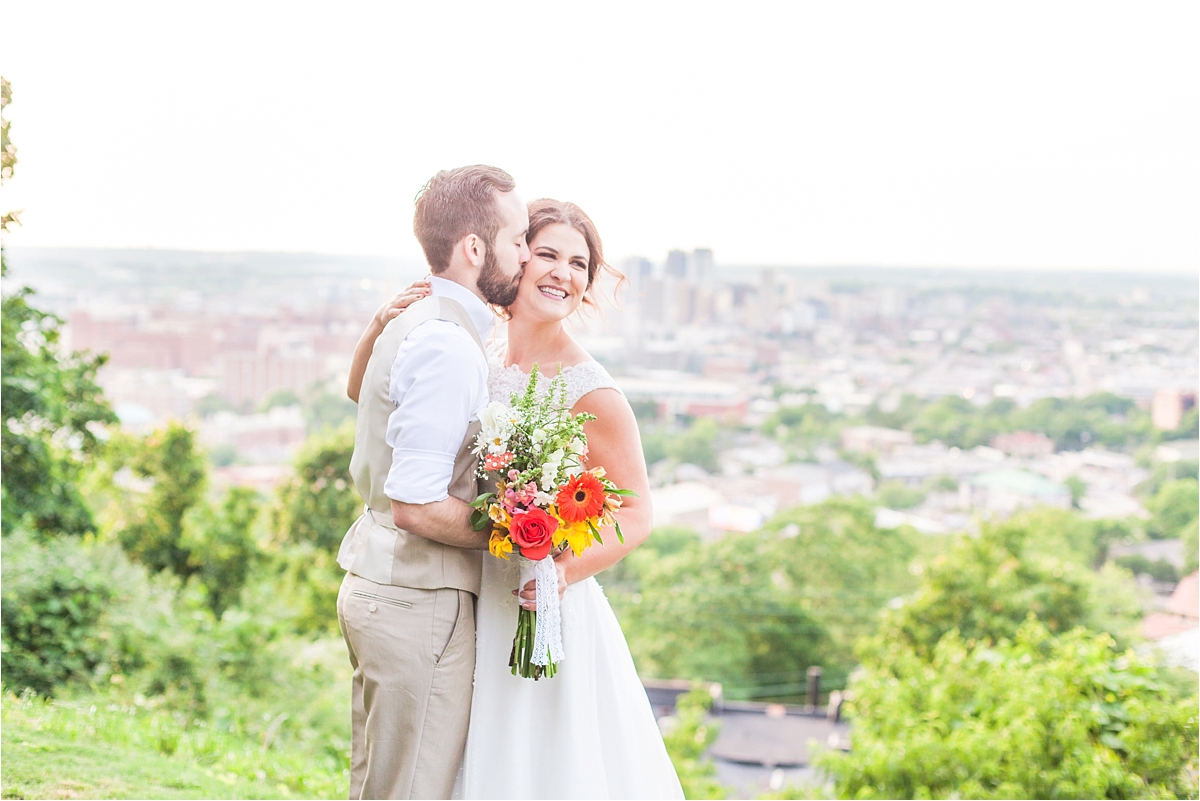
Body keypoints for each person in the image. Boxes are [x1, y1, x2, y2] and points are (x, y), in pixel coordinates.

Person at [350, 198, 684, 799]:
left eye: (580, 264)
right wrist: (380, 326)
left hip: (540, 603)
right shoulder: (470, 350)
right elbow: (366, 397)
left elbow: (635, 512)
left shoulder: (593, 390)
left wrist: (560, 572)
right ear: (517, 259)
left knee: (538, 768)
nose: (564, 273)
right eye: (549, 254)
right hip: (465, 596)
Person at [336, 164, 530, 800]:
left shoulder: (415, 319)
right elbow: (417, 507)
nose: (525, 258)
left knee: (386, 785)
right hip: (417, 601)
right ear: (475, 249)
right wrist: (520, 537)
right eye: (519, 240)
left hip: (386, 586)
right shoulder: (447, 345)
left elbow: (360, 391)